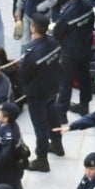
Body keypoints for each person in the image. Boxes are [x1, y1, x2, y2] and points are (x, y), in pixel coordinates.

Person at [16, 11, 63, 175]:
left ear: (33, 28)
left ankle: (42, 159)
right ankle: (57, 144)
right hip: (52, 87)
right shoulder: (54, 42)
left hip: (37, 93)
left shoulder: (31, 51)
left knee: (40, 126)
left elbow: (23, 75)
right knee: (53, 116)